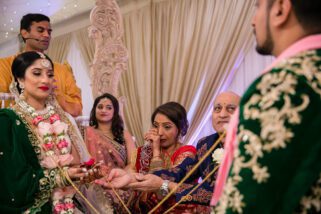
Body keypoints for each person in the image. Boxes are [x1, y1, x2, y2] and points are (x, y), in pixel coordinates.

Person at [212, 0, 321, 213]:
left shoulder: (284, 84)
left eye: (257, 7)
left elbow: (248, 204)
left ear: (280, 8)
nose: (253, 21)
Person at [95, 92, 240, 213]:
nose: (222, 114)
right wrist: (130, 179)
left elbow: (216, 192)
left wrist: (163, 184)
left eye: (231, 109)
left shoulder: (249, 145)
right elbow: (179, 172)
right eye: (217, 108)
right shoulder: (206, 144)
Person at [0, 51, 94, 213]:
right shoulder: (8, 121)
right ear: (20, 79)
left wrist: (87, 172)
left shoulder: (61, 118)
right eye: (37, 73)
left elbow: (76, 163)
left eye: (50, 74)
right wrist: (60, 177)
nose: (45, 79)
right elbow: (14, 180)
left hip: (69, 202)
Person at [0, 13, 82, 117]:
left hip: (58, 128)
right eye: (40, 30)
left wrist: (55, 94)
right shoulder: (4, 65)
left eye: (49, 31)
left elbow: (76, 109)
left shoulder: (62, 70)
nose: (47, 35)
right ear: (24, 33)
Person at [76, 93, 136, 213]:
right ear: (95, 110)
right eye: (100, 107)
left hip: (119, 180)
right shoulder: (84, 132)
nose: (104, 110)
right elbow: (79, 161)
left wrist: (120, 176)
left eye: (109, 107)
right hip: (93, 182)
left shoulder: (124, 134)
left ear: (115, 111)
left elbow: (133, 162)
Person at [133, 102, 197, 213]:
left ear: (180, 129)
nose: (160, 132)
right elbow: (132, 180)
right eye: (156, 126)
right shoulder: (144, 152)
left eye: (167, 127)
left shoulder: (187, 153)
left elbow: (162, 193)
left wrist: (156, 152)